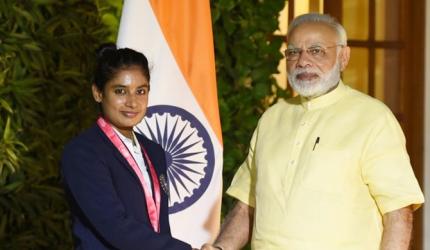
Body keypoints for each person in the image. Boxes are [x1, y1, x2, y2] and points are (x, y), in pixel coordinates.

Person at [202, 13, 425, 250]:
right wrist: (221, 247)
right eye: (293, 52)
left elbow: (398, 213)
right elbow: (246, 205)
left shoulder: (374, 118)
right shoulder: (271, 118)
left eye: (316, 51)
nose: (303, 61)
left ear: (343, 57)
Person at [61, 44, 193, 250]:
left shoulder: (154, 152)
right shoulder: (82, 153)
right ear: (98, 93)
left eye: (141, 91)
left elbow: (159, 225)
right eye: (120, 91)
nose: (132, 102)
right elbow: (114, 225)